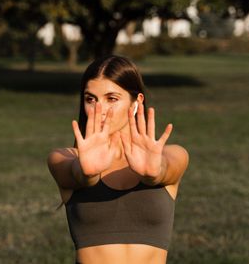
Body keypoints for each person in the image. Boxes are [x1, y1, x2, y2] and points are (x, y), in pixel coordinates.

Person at [47, 55, 189, 264]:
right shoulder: (64, 158)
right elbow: (77, 174)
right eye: (90, 99)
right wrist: (87, 173)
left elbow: (165, 170)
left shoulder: (172, 154)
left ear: (136, 102)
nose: (99, 109)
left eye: (111, 99)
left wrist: (154, 172)